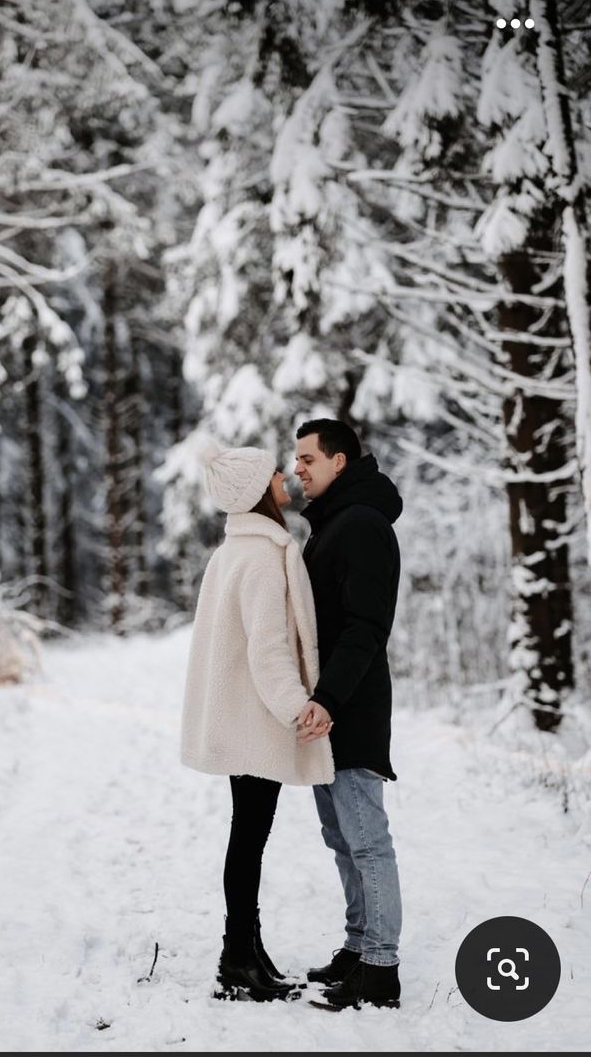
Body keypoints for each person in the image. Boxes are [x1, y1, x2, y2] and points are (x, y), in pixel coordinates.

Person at [180, 434, 335, 1003]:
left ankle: (247, 951)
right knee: (248, 840)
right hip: (254, 722)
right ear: (255, 493)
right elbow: (267, 652)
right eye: (274, 476)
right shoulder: (262, 559)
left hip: (239, 719)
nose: (285, 480)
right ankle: (236, 958)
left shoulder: (232, 553)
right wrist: (301, 710)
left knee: (247, 838)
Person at [294, 417, 403, 1010]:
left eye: (308, 458)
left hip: (349, 707)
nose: (298, 468)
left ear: (340, 461)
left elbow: (365, 627)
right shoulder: (335, 523)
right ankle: (359, 947)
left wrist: (329, 699)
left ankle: (380, 970)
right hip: (328, 707)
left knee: (366, 840)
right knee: (342, 837)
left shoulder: (360, 525)